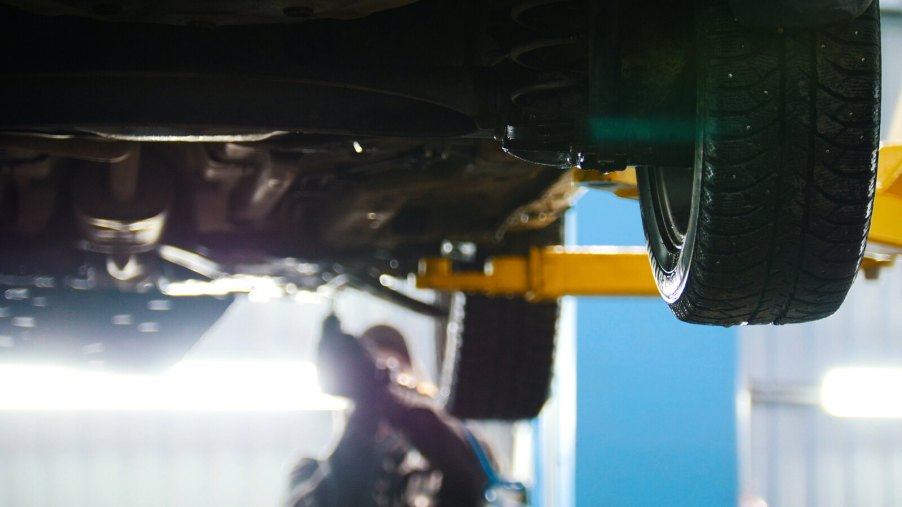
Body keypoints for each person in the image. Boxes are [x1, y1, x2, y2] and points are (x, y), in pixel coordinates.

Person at [286, 315, 493, 507]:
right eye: (370, 382)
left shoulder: (455, 456)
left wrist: (411, 419)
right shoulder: (308, 472)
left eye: (396, 377)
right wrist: (364, 420)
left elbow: (473, 486)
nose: (384, 393)